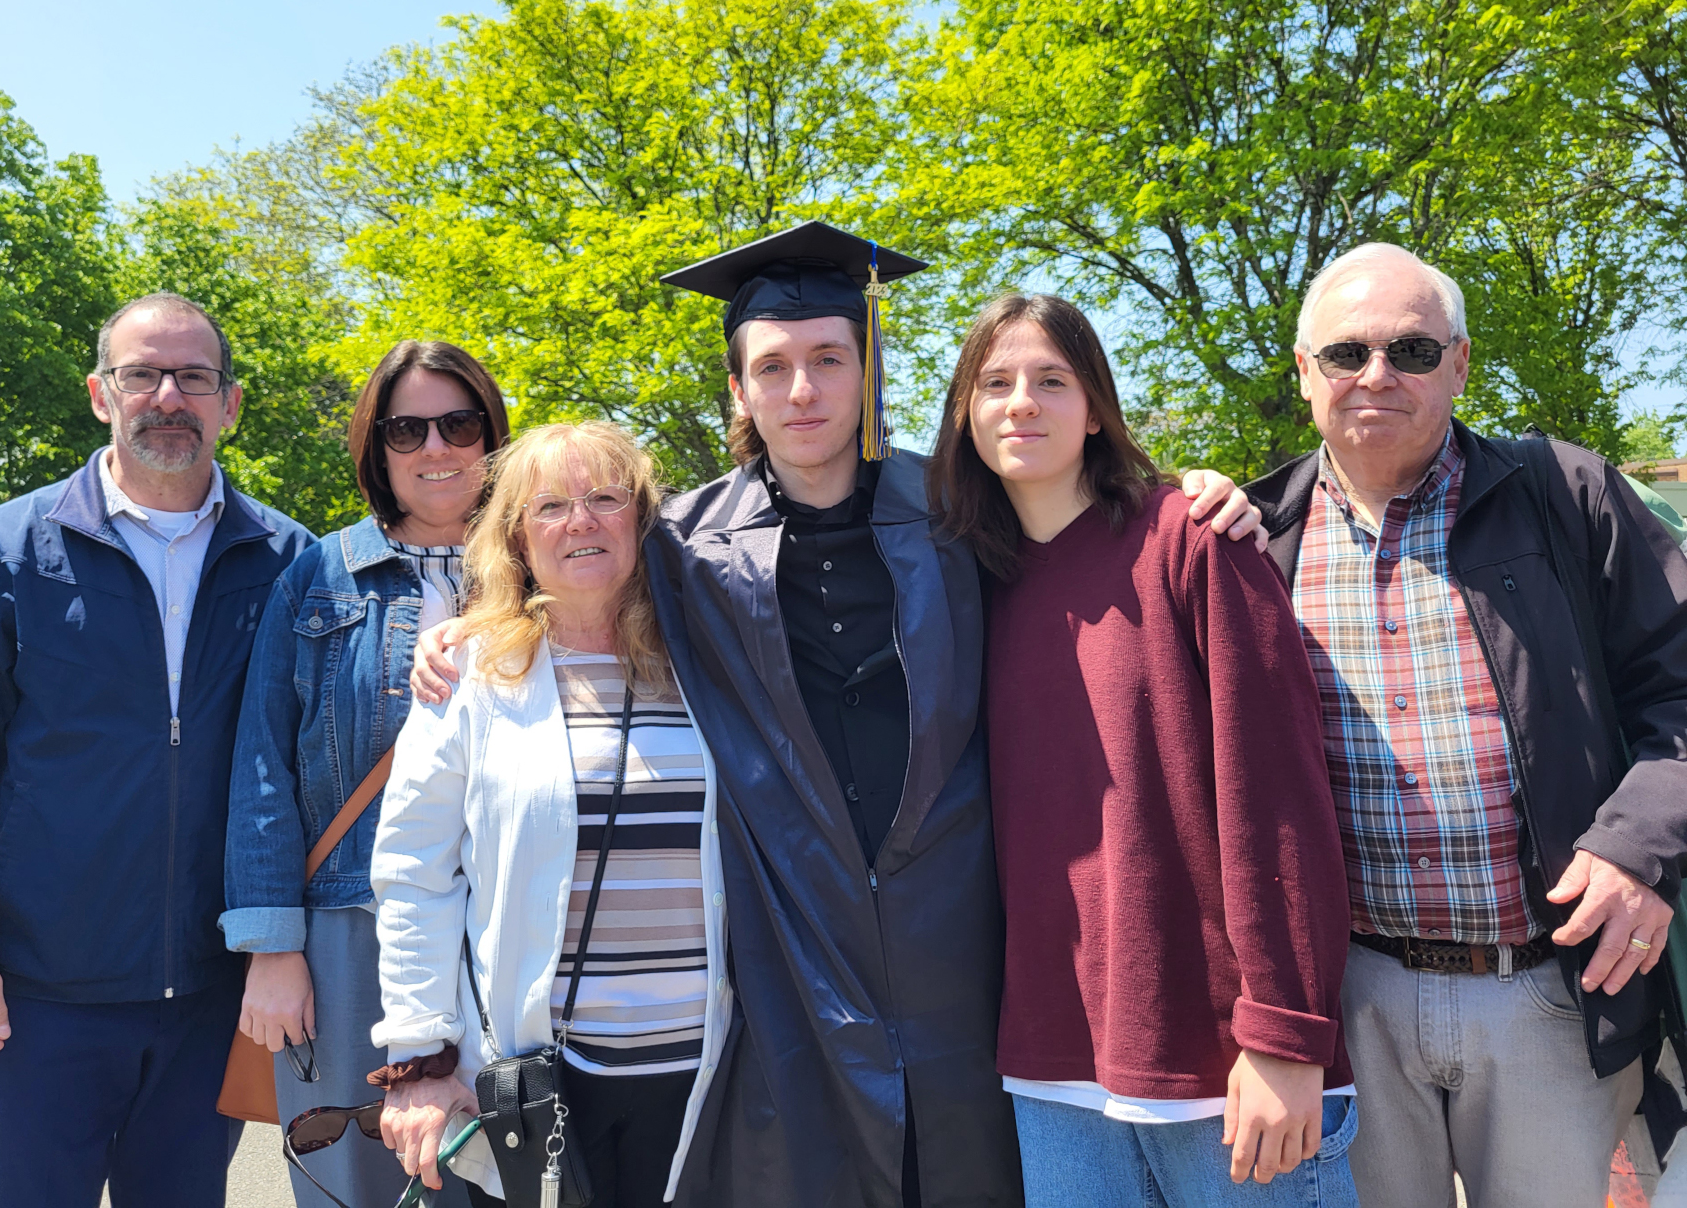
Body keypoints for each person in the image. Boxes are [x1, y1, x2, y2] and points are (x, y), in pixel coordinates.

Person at [638, 222, 1262, 1206]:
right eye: (774, 368)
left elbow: (1091, 521)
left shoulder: (953, 512)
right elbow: (568, 606)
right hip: (799, 959)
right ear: (740, 390)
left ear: (866, 369)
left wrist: (1200, 490)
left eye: (829, 360)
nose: (802, 391)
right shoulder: (683, 547)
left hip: (971, 947)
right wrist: (475, 633)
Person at [1243, 243, 1687, 1208]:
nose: (1376, 375)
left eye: (1409, 347)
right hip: (1350, 1000)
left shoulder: (1568, 497)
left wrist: (1640, 848)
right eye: (1345, 353)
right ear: (1302, 371)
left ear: (1461, 364)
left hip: (1547, 992)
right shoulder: (1251, 539)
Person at [928, 292, 1358, 1208]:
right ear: (964, 413)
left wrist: (1285, 1035)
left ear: (1096, 407)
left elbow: (1277, 795)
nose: (1023, 403)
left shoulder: (1192, 540)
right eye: (995, 383)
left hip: (1222, 1066)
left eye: (1053, 380)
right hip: (1053, 1070)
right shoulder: (963, 583)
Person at [0, 292, 314, 1207]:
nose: (169, 396)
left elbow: (315, 759)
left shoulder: (291, 562)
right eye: (143, 374)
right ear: (99, 394)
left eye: (195, 377)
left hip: (210, 994)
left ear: (229, 404)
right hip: (34, 998)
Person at [372, 421, 731, 1207]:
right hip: (539, 1076)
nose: (581, 522)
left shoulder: (711, 658)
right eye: (552, 506)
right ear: (515, 537)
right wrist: (420, 1058)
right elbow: (413, 875)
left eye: (606, 499)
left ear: (641, 520)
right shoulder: (470, 672)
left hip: (703, 1069)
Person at [221, 340, 509, 1206]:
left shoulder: (546, 565)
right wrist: (273, 945)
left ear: (492, 435)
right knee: (360, 1175)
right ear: (375, 447)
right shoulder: (319, 575)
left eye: (458, 423)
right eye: (406, 428)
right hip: (353, 929)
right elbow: (263, 762)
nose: (435, 448)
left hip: (515, 927)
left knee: (515, 1169)